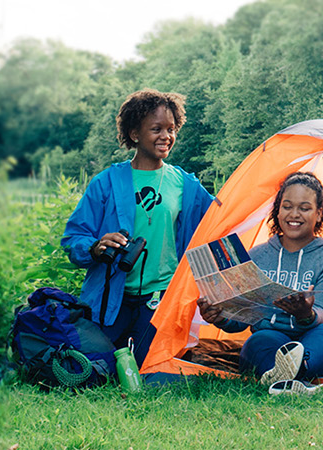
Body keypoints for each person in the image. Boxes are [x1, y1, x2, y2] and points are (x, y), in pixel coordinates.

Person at [60, 89, 215, 366]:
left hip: (161, 296)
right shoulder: (106, 182)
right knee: (97, 366)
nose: (166, 136)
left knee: (150, 367)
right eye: (156, 129)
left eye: (171, 128)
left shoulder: (185, 184)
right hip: (111, 298)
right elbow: (74, 238)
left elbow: (222, 218)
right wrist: (94, 248)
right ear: (134, 134)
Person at [197, 172, 323, 391]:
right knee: (257, 340)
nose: (294, 214)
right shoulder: (257, 256)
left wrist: (305, 314)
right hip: (273, 339)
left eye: (304, 208)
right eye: (287, 206)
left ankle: (291, 375)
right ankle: (298, 386)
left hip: (317, 342)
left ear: (319, 214)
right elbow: (240, 321)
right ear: (277, 211)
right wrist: (219, 316)